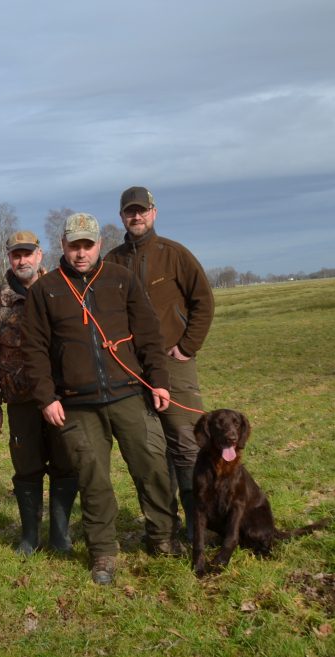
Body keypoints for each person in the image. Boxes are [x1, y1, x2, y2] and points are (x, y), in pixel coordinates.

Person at [23, 214, 181, 586]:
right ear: (63, 245)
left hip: (129, 393)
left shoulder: (121, 279)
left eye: (88, 245)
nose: (81, 253)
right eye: (74, 246)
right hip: (76, 403)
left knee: (152, 466)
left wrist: (159, 381)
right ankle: (103, 552)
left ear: (99, 244)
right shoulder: (45, 290)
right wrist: (46, 397)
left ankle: (162, 537)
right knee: (93, 479)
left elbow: (148, 334)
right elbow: (34, 350)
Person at [105, 186, 214, 539]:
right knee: (151, 448)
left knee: (186, 443)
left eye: (142, 210)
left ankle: (200, 525)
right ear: (122, 217)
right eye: (130, 211)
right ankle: (165, 525)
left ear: (154, 212)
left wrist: (187, 347)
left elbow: (204, 301)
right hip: (132, 369)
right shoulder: (112, 261)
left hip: (173, 363)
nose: (136, 216)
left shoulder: (174, 254)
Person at [0, 230, 77, 555]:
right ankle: (30, 536)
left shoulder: (60, 288)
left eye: (27, 253)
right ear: (9, 258)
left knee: (65, 463)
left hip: (61, 397)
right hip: (20, 400)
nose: (22, 260)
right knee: (27, 467)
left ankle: (60, 534)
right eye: (16, 255)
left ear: (39, 254)